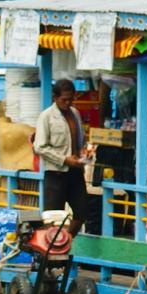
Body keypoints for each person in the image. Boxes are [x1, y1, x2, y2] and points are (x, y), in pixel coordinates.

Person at [33, 81, 93, 229]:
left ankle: (65, 241)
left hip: (75, 172)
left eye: (70, 99)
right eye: (64, 100)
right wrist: (64, 159)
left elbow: (81, 139)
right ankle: (52, 249)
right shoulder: (46, 116)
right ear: (55, 98)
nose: (68, 103)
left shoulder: (75, 114)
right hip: (56, 173)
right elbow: (39, 147)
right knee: (53, 218)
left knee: (82, 212)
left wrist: (85, 152)